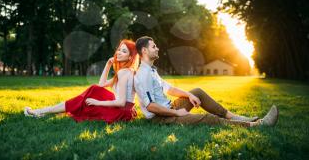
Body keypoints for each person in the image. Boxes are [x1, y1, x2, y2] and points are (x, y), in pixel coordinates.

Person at [134, 36, 279, 127]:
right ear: (144, 51)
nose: (157, 48)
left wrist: (188, 95)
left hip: (170, 108)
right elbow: (151, 106)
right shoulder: (143, 74)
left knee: (197, 92)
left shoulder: (151, 70)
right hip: (161, 118)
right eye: (154, 47)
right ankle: (258, 125)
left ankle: (235, 117)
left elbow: (169, 88)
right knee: (208, 118)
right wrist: (177, 114)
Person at [24, 39, 139, 124]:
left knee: (86, 101)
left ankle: (41, 112)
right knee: (93, 90)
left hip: (122, 112)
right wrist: (108, 64)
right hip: (127, 111)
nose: (118, 52)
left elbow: (121, 103)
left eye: (124, 51)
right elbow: (101, 85)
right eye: (119, 49)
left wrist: (97, 102)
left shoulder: (124, 73)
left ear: (130, 57)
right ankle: (45, 111)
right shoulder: (126, 71)